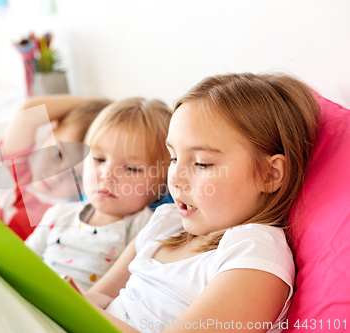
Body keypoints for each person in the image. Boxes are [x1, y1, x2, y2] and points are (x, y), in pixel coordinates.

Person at [84, 73, 319, 333]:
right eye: (173, 158)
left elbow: (87, 309)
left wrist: (83, 310)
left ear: (270, 174)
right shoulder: (165, 223)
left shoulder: (254, 252)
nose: (175, 178)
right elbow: (95, 298)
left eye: (201, 163)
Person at [25, 97, 173, 292]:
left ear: (162, 183)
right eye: (99, 159)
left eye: (131, 168)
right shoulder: (58, 214)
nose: (107, 175)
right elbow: (21, 263)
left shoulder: (146, 229)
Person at [0, 95, 112, 240]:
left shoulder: (68, 215)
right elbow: (26, 114)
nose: (55, 177)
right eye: (57, 154)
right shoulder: (16, 169)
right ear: (50, 132)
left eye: (77, 177)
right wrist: (103, 107)